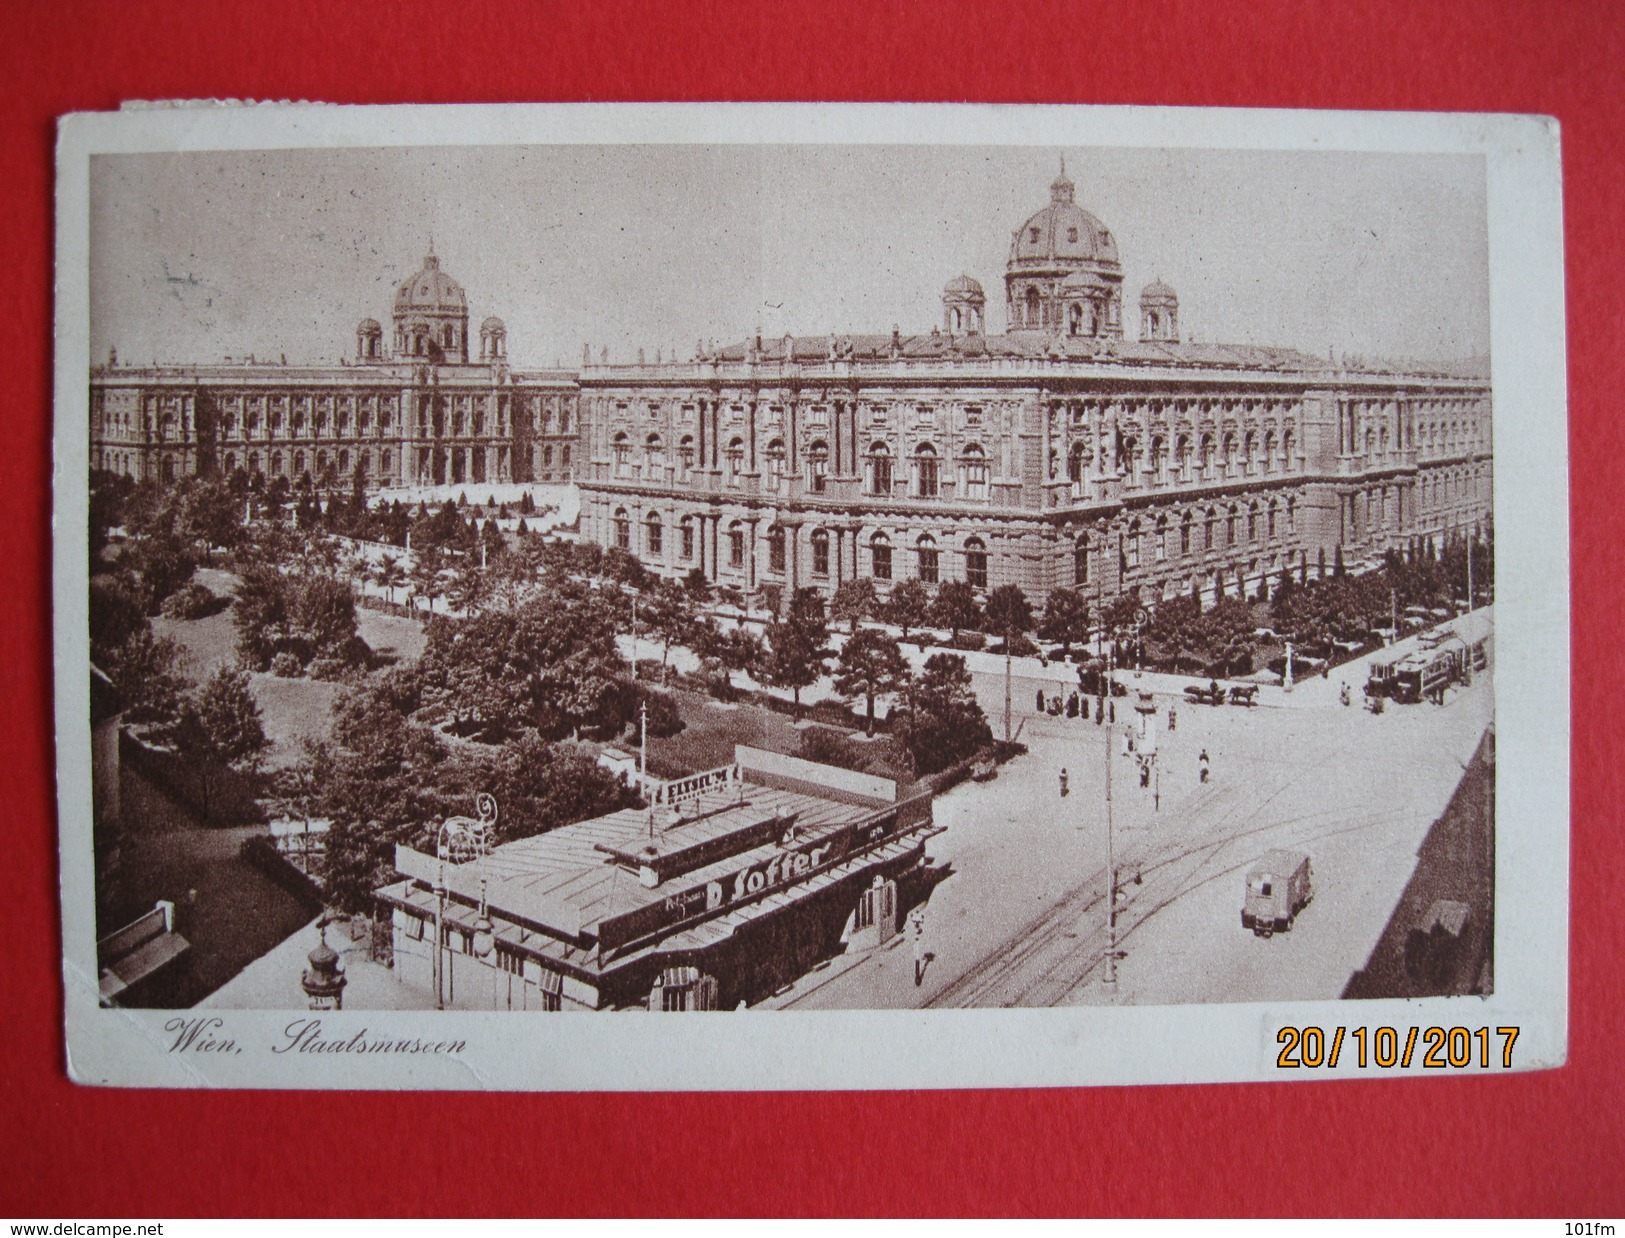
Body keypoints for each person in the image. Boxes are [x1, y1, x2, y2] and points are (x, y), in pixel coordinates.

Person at [908, 906, 930, 987]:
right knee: (916, 956)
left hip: (918, 942)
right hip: (916, 942)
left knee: (917, 956)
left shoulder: (917, 925)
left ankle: (917, 975)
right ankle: (917, 974)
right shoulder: (916, 925)